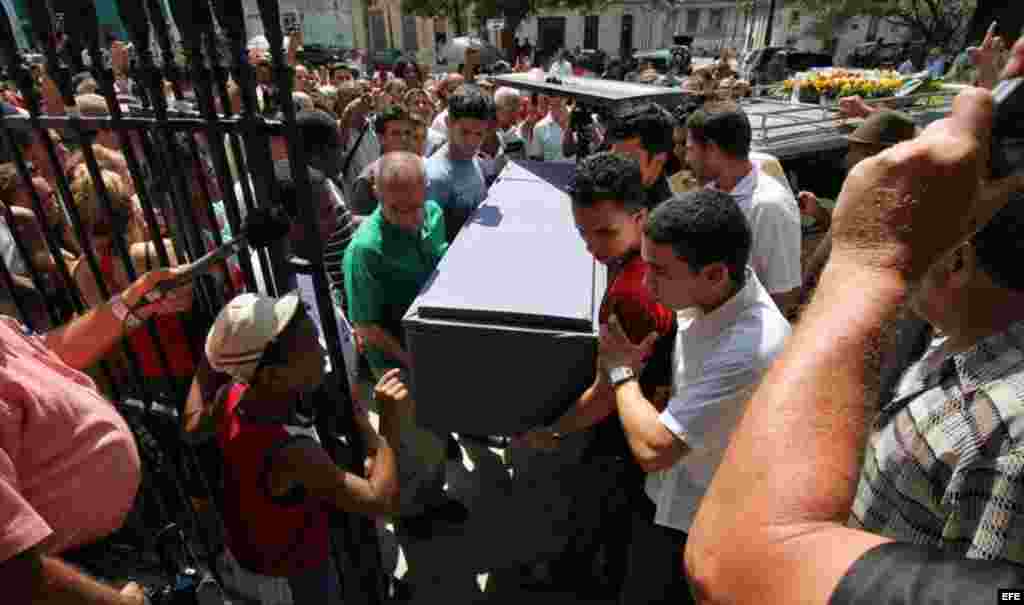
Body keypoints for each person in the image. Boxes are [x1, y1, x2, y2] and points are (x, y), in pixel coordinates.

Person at [684, 43, 1024, 604]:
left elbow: (729, 564)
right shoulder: (944, 349)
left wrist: (869, 256)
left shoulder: (1005, 440)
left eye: (927, 241)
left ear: (957, 259)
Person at [597, 188, 789, 604]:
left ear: (715, 274)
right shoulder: (702, 297)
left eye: (659, 272)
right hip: (666, 500)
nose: (646, 283)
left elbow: (654, 448)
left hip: (701, 528)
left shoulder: (750, 347)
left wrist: (620, 372)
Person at [518, 153, 677, 594]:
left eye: (604, 232)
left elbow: (608, 392)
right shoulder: (650, 261)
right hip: (638, 418)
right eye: (582, 232)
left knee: (604, 519)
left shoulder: (632, 294)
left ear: (639, 218)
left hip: (625, 433)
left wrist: (553, 431)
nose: (591, 246)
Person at [0, 261, 190, 605]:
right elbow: (15, 575)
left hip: (116, 550)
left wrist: (130, 305)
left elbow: (47, 355)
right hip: (81, 578)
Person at [198, 292, 403, 603]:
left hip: (254, 561)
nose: (322, 349)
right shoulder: (294, 452)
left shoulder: (232, 393)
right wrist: (388, 424)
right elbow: (379, 500)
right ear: (272, 375)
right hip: (295, 578)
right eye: (309, 345)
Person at [344, 152, 468, 538]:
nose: (410, 218)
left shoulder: (433, 214)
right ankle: (413, 513)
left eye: (415, 205)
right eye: (397, 209)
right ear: (376, 193)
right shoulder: (366, 250)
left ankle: (430, 495)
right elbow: (366, 326)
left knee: (433, 435)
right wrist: (412, 359)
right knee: (413, 446)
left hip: (434, 352)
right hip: (400, 364)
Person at [684, 105, 802, 315]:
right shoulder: (709, 192)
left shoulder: (768, 207)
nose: (686, 159)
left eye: (690, 149)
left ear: (711, 149)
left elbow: (783, 294)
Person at [425, 84, 494, 243]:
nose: (472, 141)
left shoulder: (474, 159)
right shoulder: (436, 176)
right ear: (448, 122)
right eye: (465, 132)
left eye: (479, 134)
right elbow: (431, 243)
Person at [605, 103, 676, 211]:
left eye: (626, 161)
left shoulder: (671, 217)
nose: (613, 169)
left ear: (658, 161)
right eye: (612, 158)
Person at [350, 105, 417, 216]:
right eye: (396, 133)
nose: (404, 139)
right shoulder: (367, 181)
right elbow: (361, 223)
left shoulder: (417, 171)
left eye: (407, 133)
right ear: (381, 138)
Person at [527, 95, 570, 162]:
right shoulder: (539, 127)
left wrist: (566, 126)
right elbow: (536, 159)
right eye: (552, 95)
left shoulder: (577, 120)